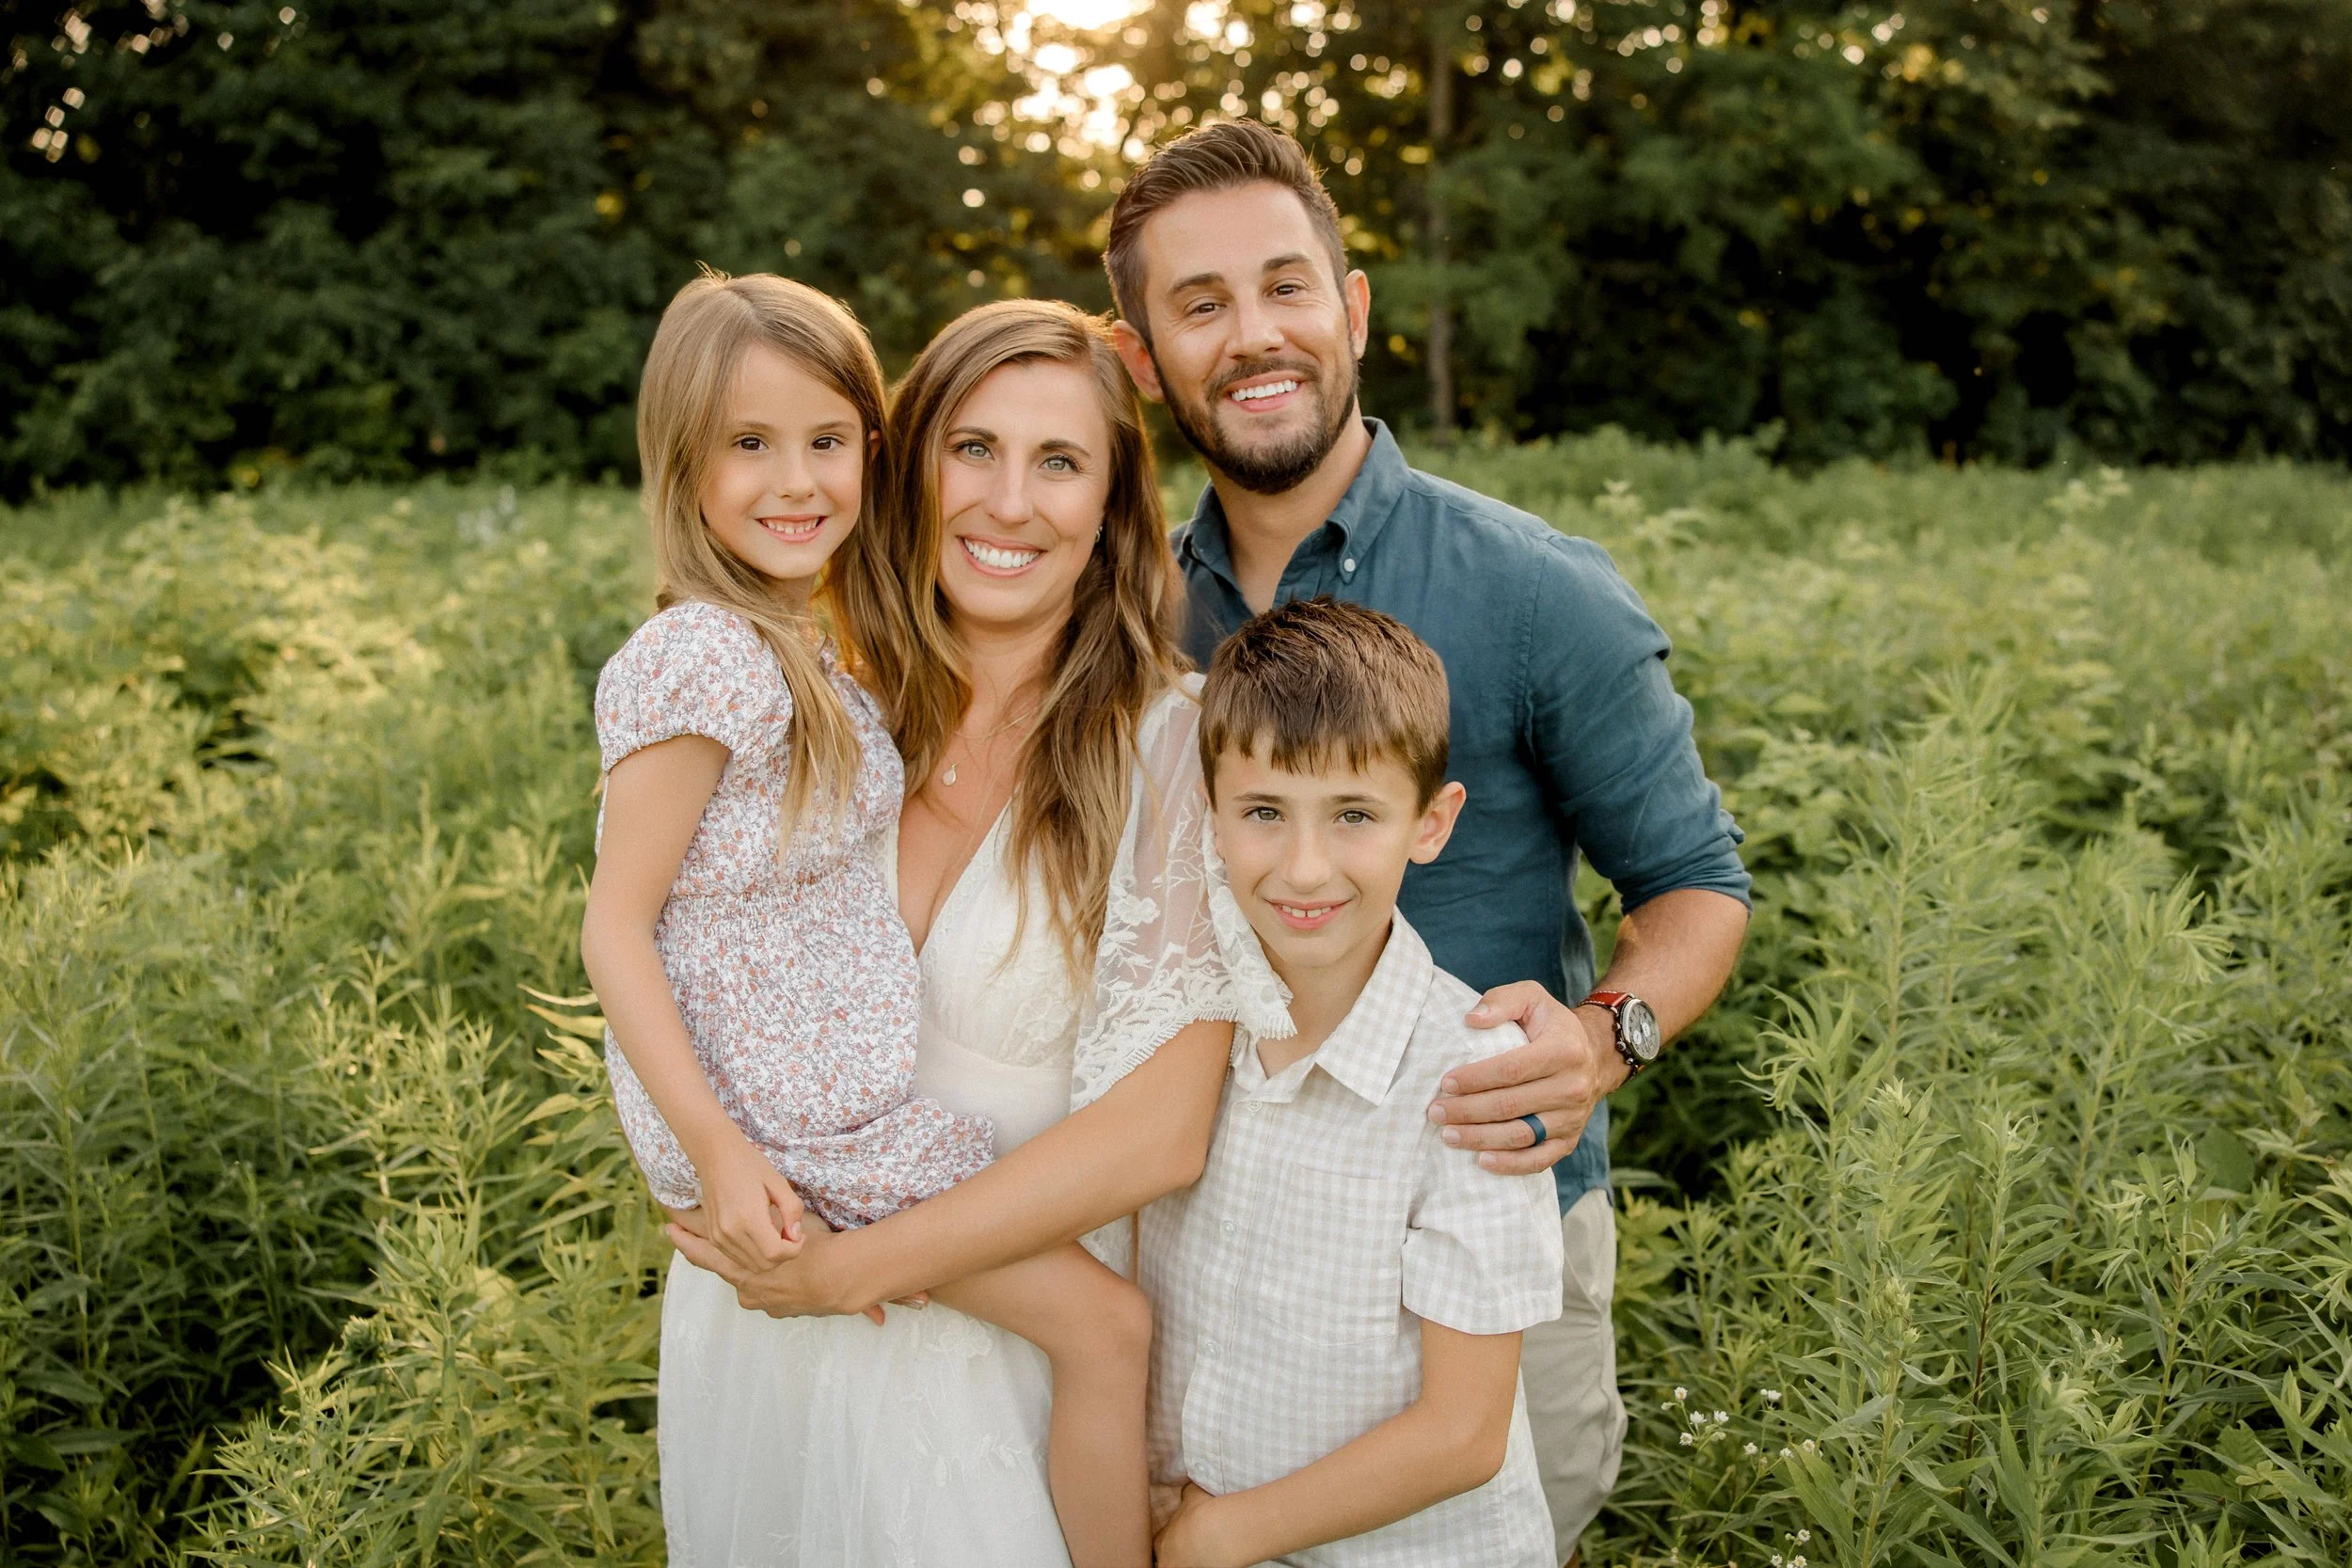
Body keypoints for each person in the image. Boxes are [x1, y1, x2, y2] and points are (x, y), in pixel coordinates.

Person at [1103, 120, 1754, 1562]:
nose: (1254, 333)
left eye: (1286, 284)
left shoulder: (1534, 593)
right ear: (1142, 356)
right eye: (1200, 304)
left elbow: (1698, 883)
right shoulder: (1131, 613)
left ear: (1354, 305)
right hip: (1217, 1233)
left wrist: (1604, 1037)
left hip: (1487, 1231)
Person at [656, 295, 1286, 1561]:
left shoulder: (1180, 744)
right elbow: (675, 980)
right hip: (766, 1323)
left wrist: (862, 1262)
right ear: (911, 469)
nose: (1009, 502)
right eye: (974, 449)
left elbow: (1159, 1133)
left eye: (1059, 462)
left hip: (996, 1355)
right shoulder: (803, 713)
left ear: (1113, 511)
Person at [1146, 598, 1564, 1568]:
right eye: (1261, 812)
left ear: (1430, 821)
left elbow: (1463, 1431)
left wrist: (1223, 1531)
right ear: (1208, 813)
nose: (1304, 866)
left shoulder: (1473, 1075)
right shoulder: (1175, 1030)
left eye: (1353, 815)